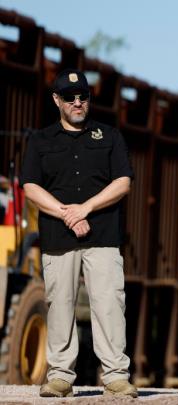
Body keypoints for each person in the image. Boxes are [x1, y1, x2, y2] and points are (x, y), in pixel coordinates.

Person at [21, 68, 137, 398]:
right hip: (58, 239)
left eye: (82, 97)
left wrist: (84, 209)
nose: (77, 102)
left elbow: (123, 183)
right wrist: (66, 215)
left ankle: (116, 375)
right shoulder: (41, 141)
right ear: (56, 100)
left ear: (89, 99)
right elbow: (30, 186)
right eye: (69, 97)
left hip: (103, 236)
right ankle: (59, 376)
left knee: (110, 303)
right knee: (60, 303)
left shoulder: (110, 136)